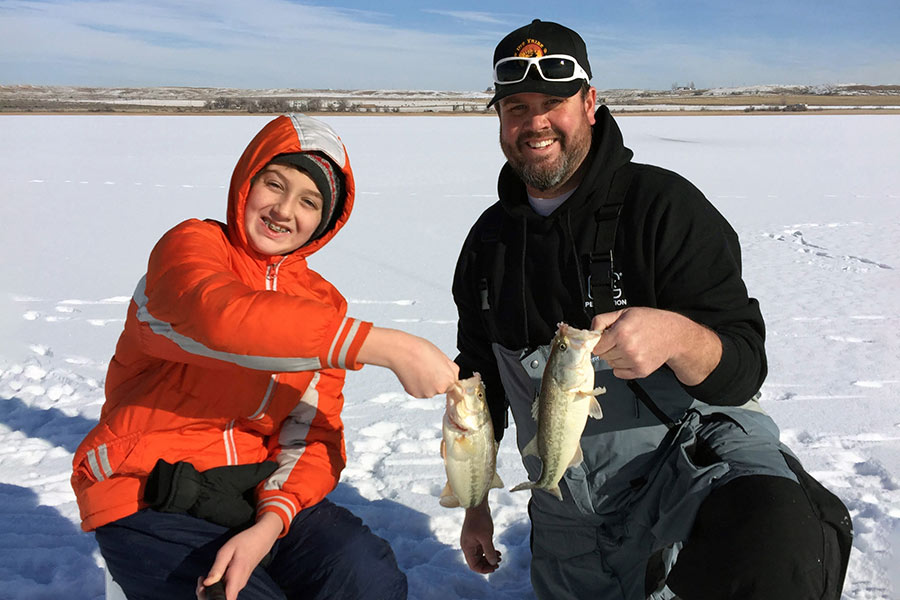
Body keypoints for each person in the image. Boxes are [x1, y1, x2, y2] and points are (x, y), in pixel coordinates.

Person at [452, 19, 852, 600]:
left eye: (553, 103)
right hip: (570, 505)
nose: (534, 123)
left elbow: (744, 366)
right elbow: (478, 384)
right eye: (517, 106)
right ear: (500, 118)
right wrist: (473, 504)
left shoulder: (664, 207)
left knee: (782, 530)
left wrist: (679, 338)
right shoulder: (487, 245)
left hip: (687, 465)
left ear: (590, 104)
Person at [71, 113, 459, 600]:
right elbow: (220, 320)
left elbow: (312, 432)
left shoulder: (323, 305)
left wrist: (271, 522)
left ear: (324, 221)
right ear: (245, 182)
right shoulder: (190, 249)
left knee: (366, 575)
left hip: (252, 494)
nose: (283, 210)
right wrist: (386, 346)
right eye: (274, 184)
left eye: (309, 201)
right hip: (144, 492)